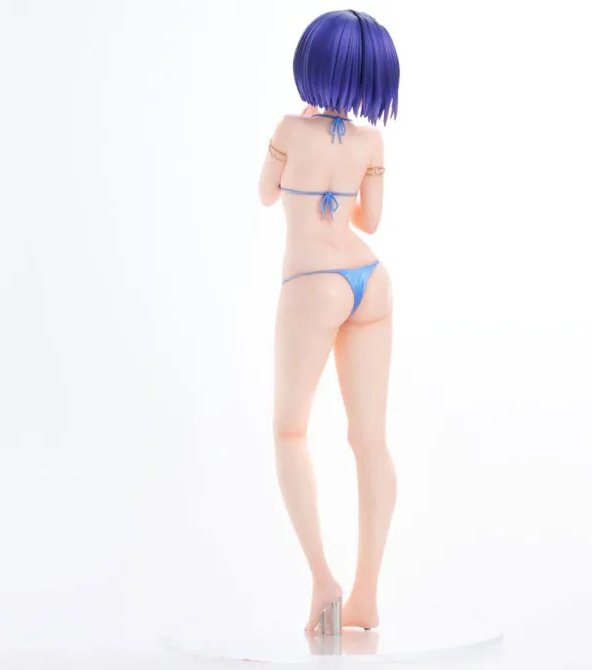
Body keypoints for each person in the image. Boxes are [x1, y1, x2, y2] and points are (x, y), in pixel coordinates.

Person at [258, 9, 400, 635]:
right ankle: (366, 596)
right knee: (370, 439)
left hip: (312, 283)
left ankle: (324, 582)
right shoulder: (370, 142)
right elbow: (370, 221)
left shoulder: (289, 130)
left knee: (290, 430)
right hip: (370, 280)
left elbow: (266, 194)